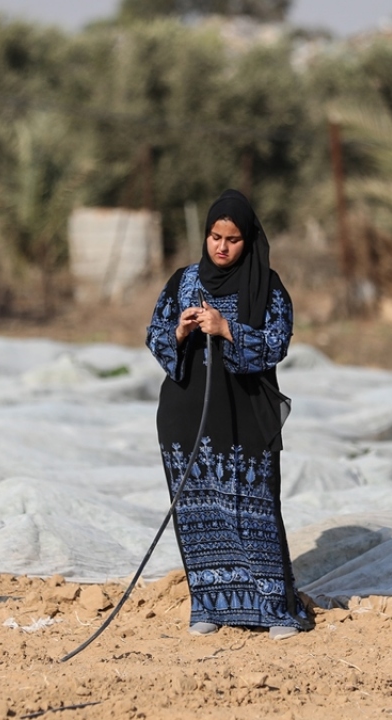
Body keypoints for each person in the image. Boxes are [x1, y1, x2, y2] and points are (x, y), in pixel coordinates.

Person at [146, 189, 312, 640]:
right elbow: (154, 335)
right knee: (200, 510)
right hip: (187, 416)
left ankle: (275, 608)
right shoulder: (183, 281)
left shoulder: (267, 285)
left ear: (249, 240)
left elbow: (277, 342)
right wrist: (179, 332)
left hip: (244, 416)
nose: (221, 246)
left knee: (253, 506)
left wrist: (227, 329)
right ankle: (209, 604)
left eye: (233, 238)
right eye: (214, 236)